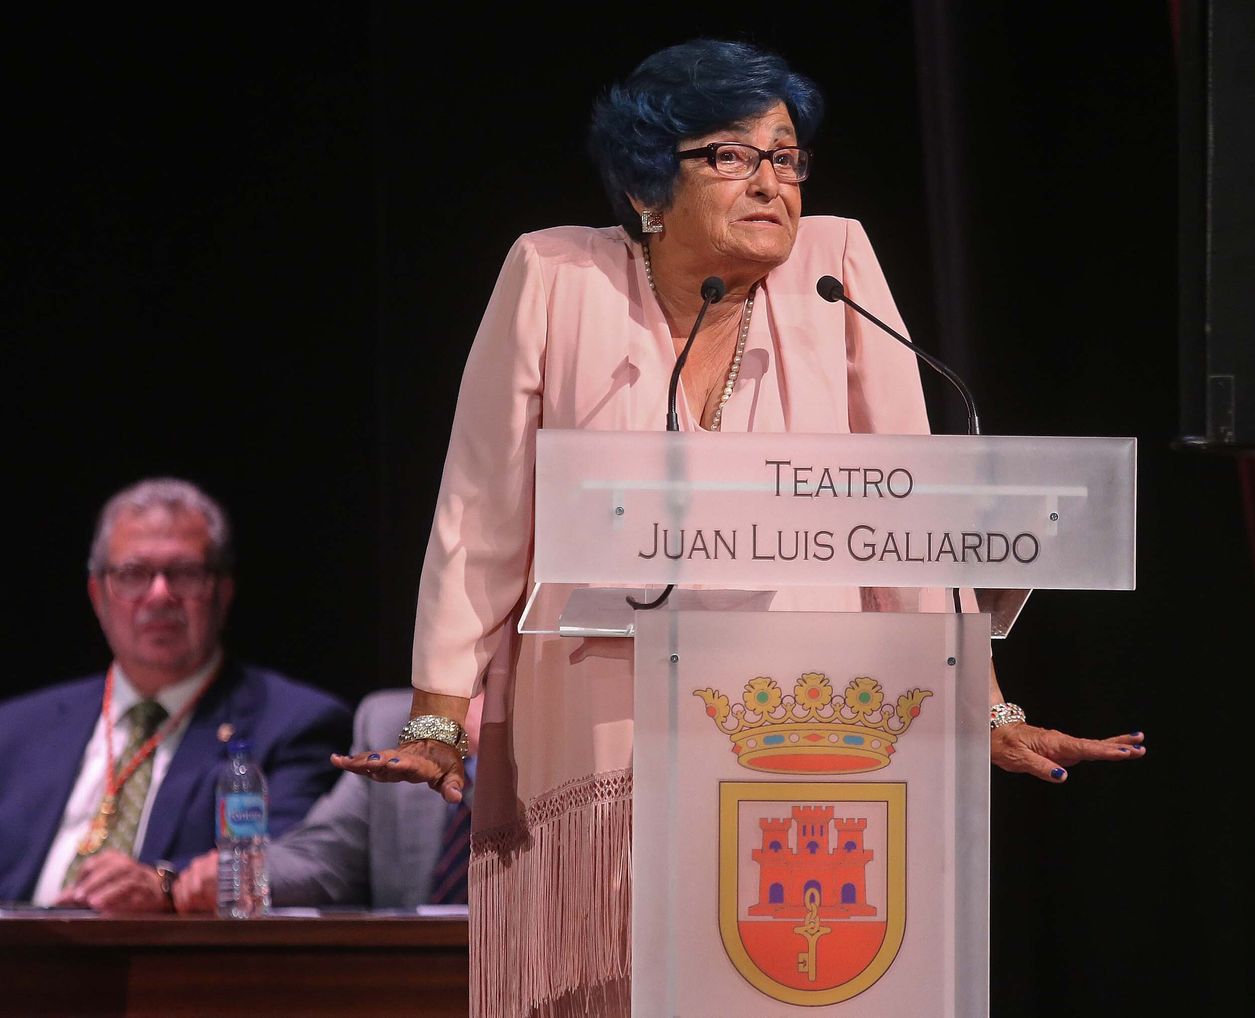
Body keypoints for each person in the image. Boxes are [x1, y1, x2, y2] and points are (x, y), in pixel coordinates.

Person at [335, 40, 1146, 1015]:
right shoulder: (555, 276)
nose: (772, 183)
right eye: (732, 156)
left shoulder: (834, 270)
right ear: (647, 185)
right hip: (604, 712)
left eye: (787, 158)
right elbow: (482, 510)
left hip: (807, 720)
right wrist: (437, 716)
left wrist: (981, 700)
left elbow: (906, 516)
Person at [0, 477, 351, 911]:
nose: (160, 594)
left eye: (184, 573)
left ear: (223, 592)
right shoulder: (15, 730)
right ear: (97, 595)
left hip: (171, 970)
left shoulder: (294, 725)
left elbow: (288, 863)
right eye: (133, 574)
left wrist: (164, 885)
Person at [171, 688, 482, 911]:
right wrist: (240, 873)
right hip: (421, 984)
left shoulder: (530, 746)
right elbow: (324, 856)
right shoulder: (394, 726)